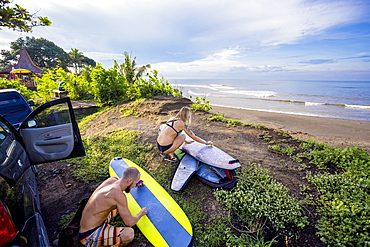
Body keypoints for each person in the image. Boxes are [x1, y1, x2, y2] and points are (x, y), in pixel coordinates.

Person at [79, 167, 147, 247]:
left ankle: (106, 233)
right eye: (135, 183)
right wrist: (141, 213)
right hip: (88, 236)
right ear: (129, 181)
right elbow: (130, 222)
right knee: (129, 234)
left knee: (117, 206)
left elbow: (124, 189)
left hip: (88, 224)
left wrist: (135, 184)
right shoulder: (118, 195)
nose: (135, 185)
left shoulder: (112, 180)